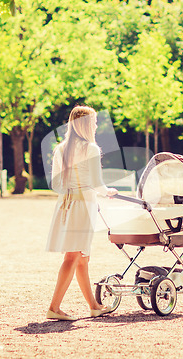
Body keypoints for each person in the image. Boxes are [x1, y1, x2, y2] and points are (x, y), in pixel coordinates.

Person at [45, 106, 118, 321]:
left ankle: (94, 306)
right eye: (94, 122)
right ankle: (54, 308)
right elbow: (96, 183)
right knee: (73, 255)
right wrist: (108, 192)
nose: (96, 126)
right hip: (83, 207)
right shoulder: (91, 149)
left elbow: (56, 184)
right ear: (86, 124)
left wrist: (71, 189)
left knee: (82, 258)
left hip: (66, 206)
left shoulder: (61, 149)